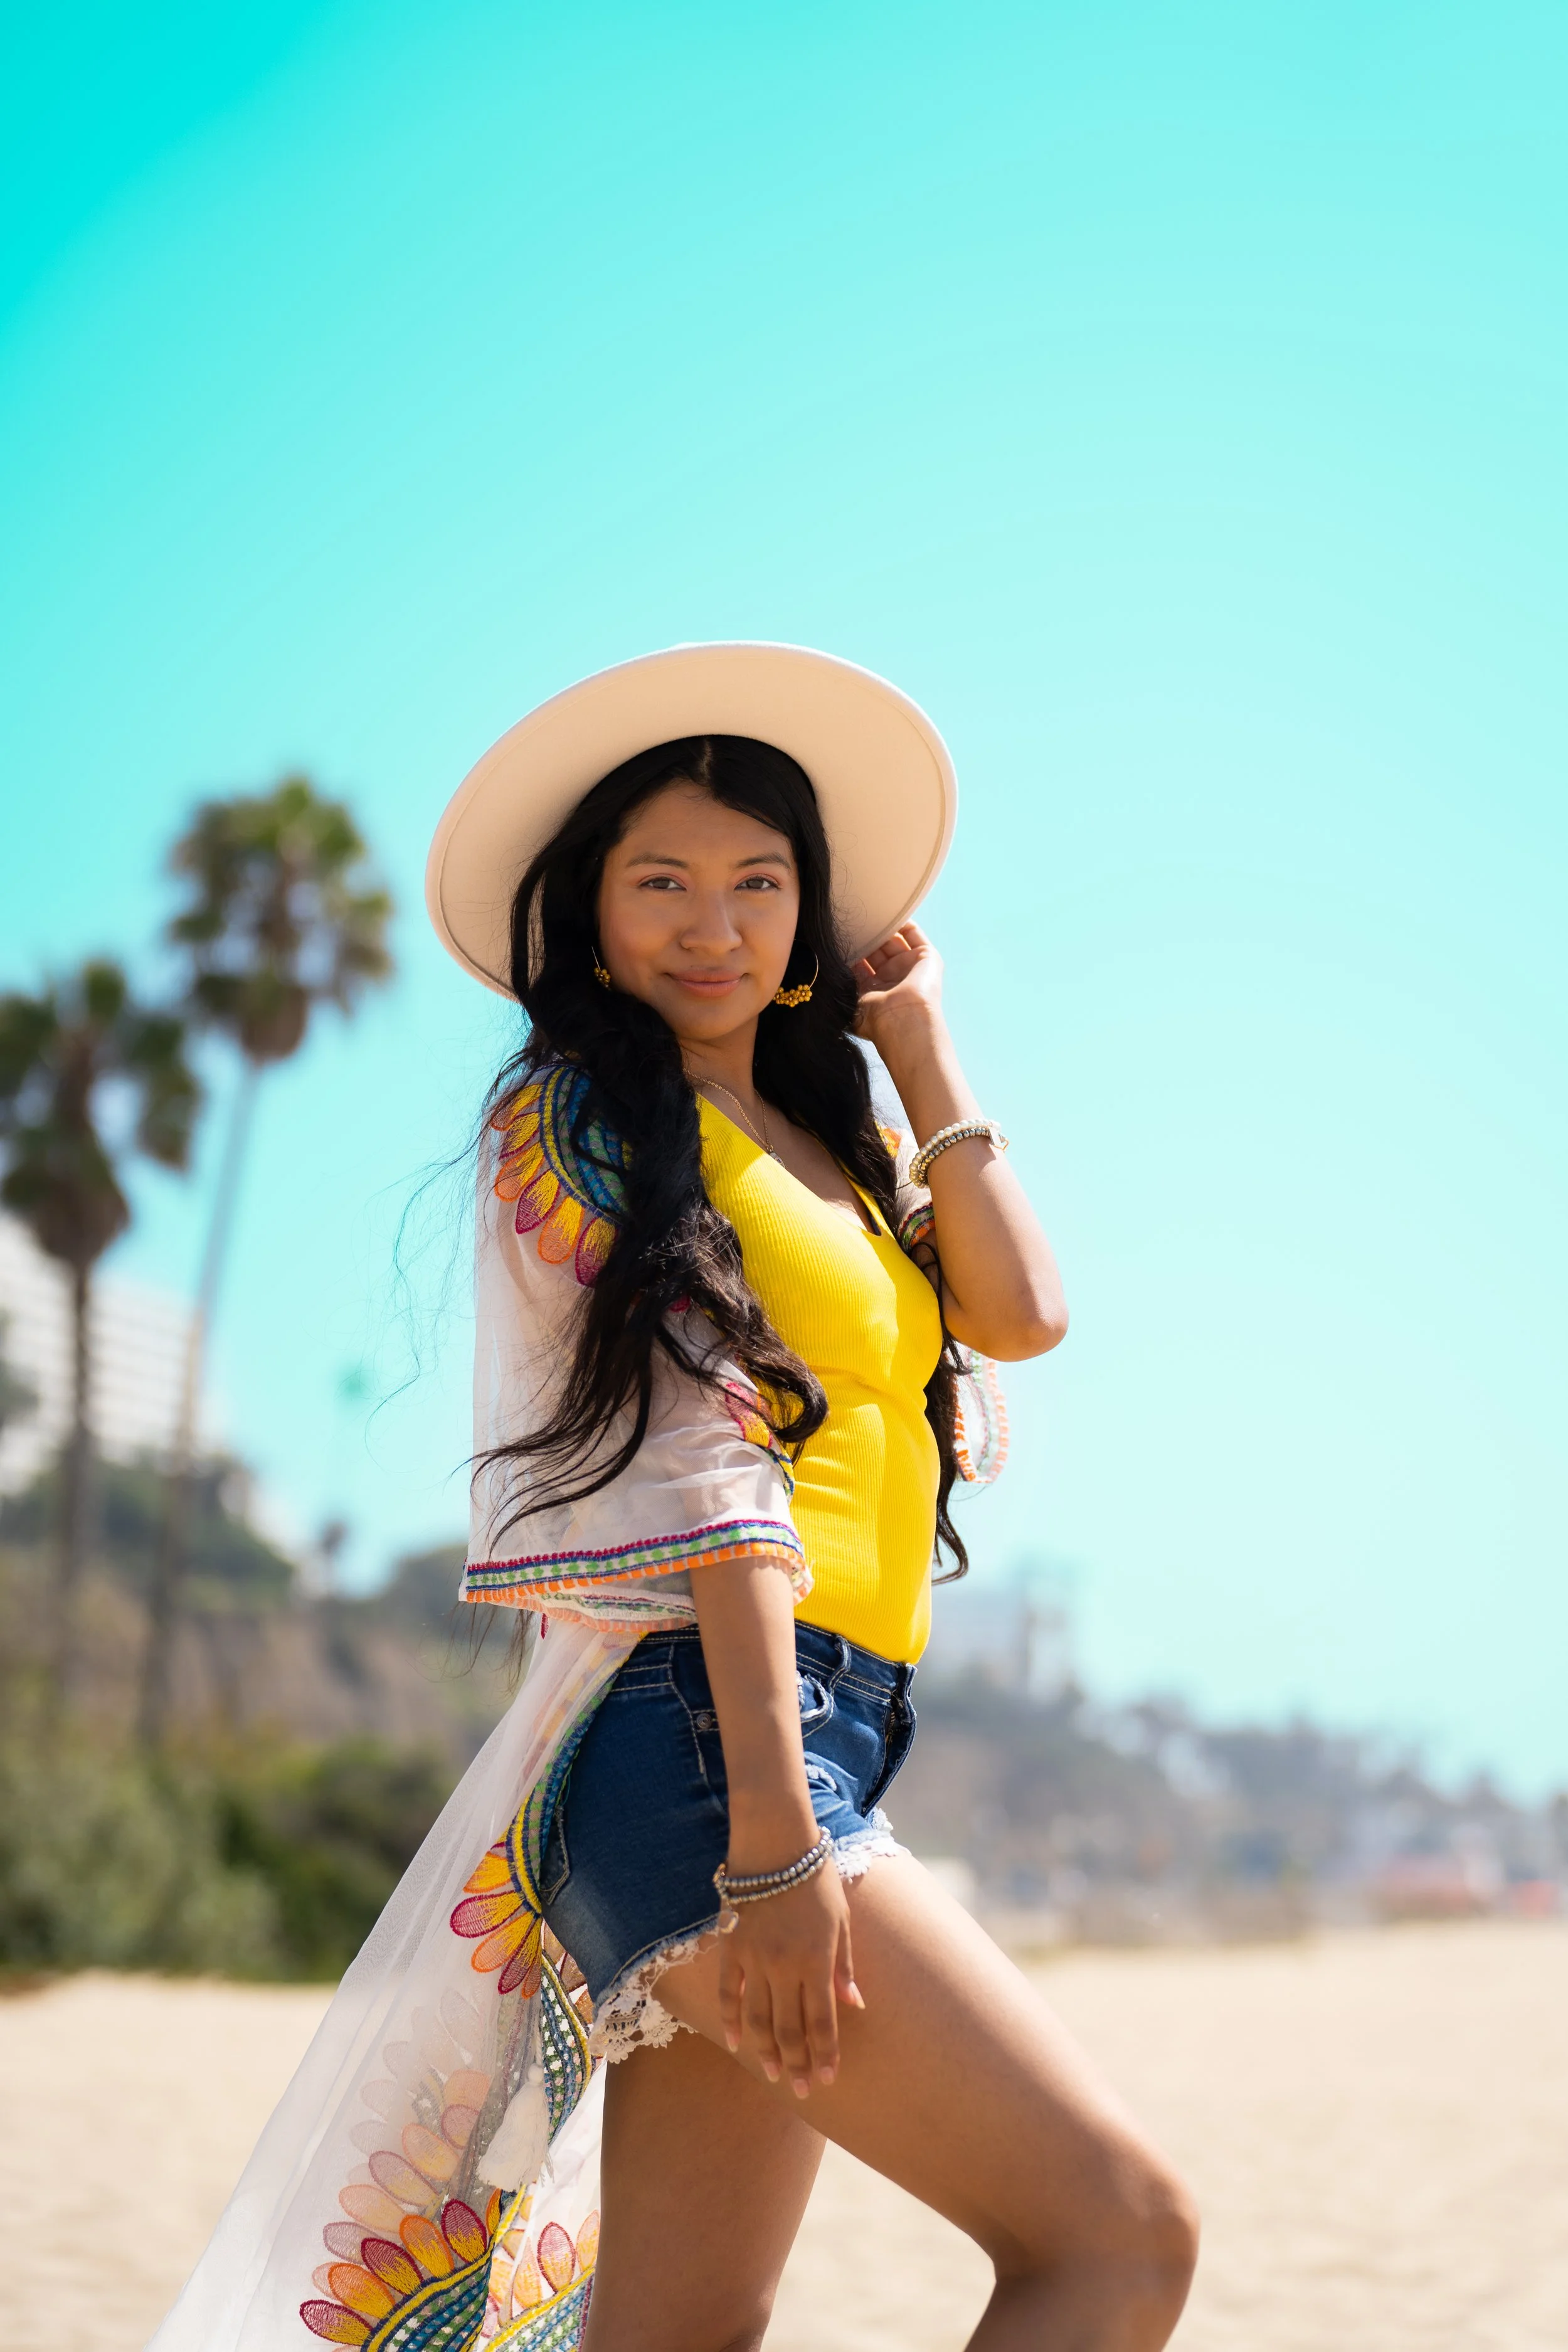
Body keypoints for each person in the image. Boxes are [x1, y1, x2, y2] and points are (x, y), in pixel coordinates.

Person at [148, 644, 1196, 2352]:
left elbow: (1018, 1313)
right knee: (1119, 2235)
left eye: (756, 883)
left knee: (678, 2334)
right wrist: (776, 1840)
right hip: (717, 1744)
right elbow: (704, 1470)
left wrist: (921, 1053)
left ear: (811, 916)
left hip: (809, 1734)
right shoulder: (580, 1125)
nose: (711, 925)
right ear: (587, 911)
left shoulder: (823, 1150)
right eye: (661, 883)